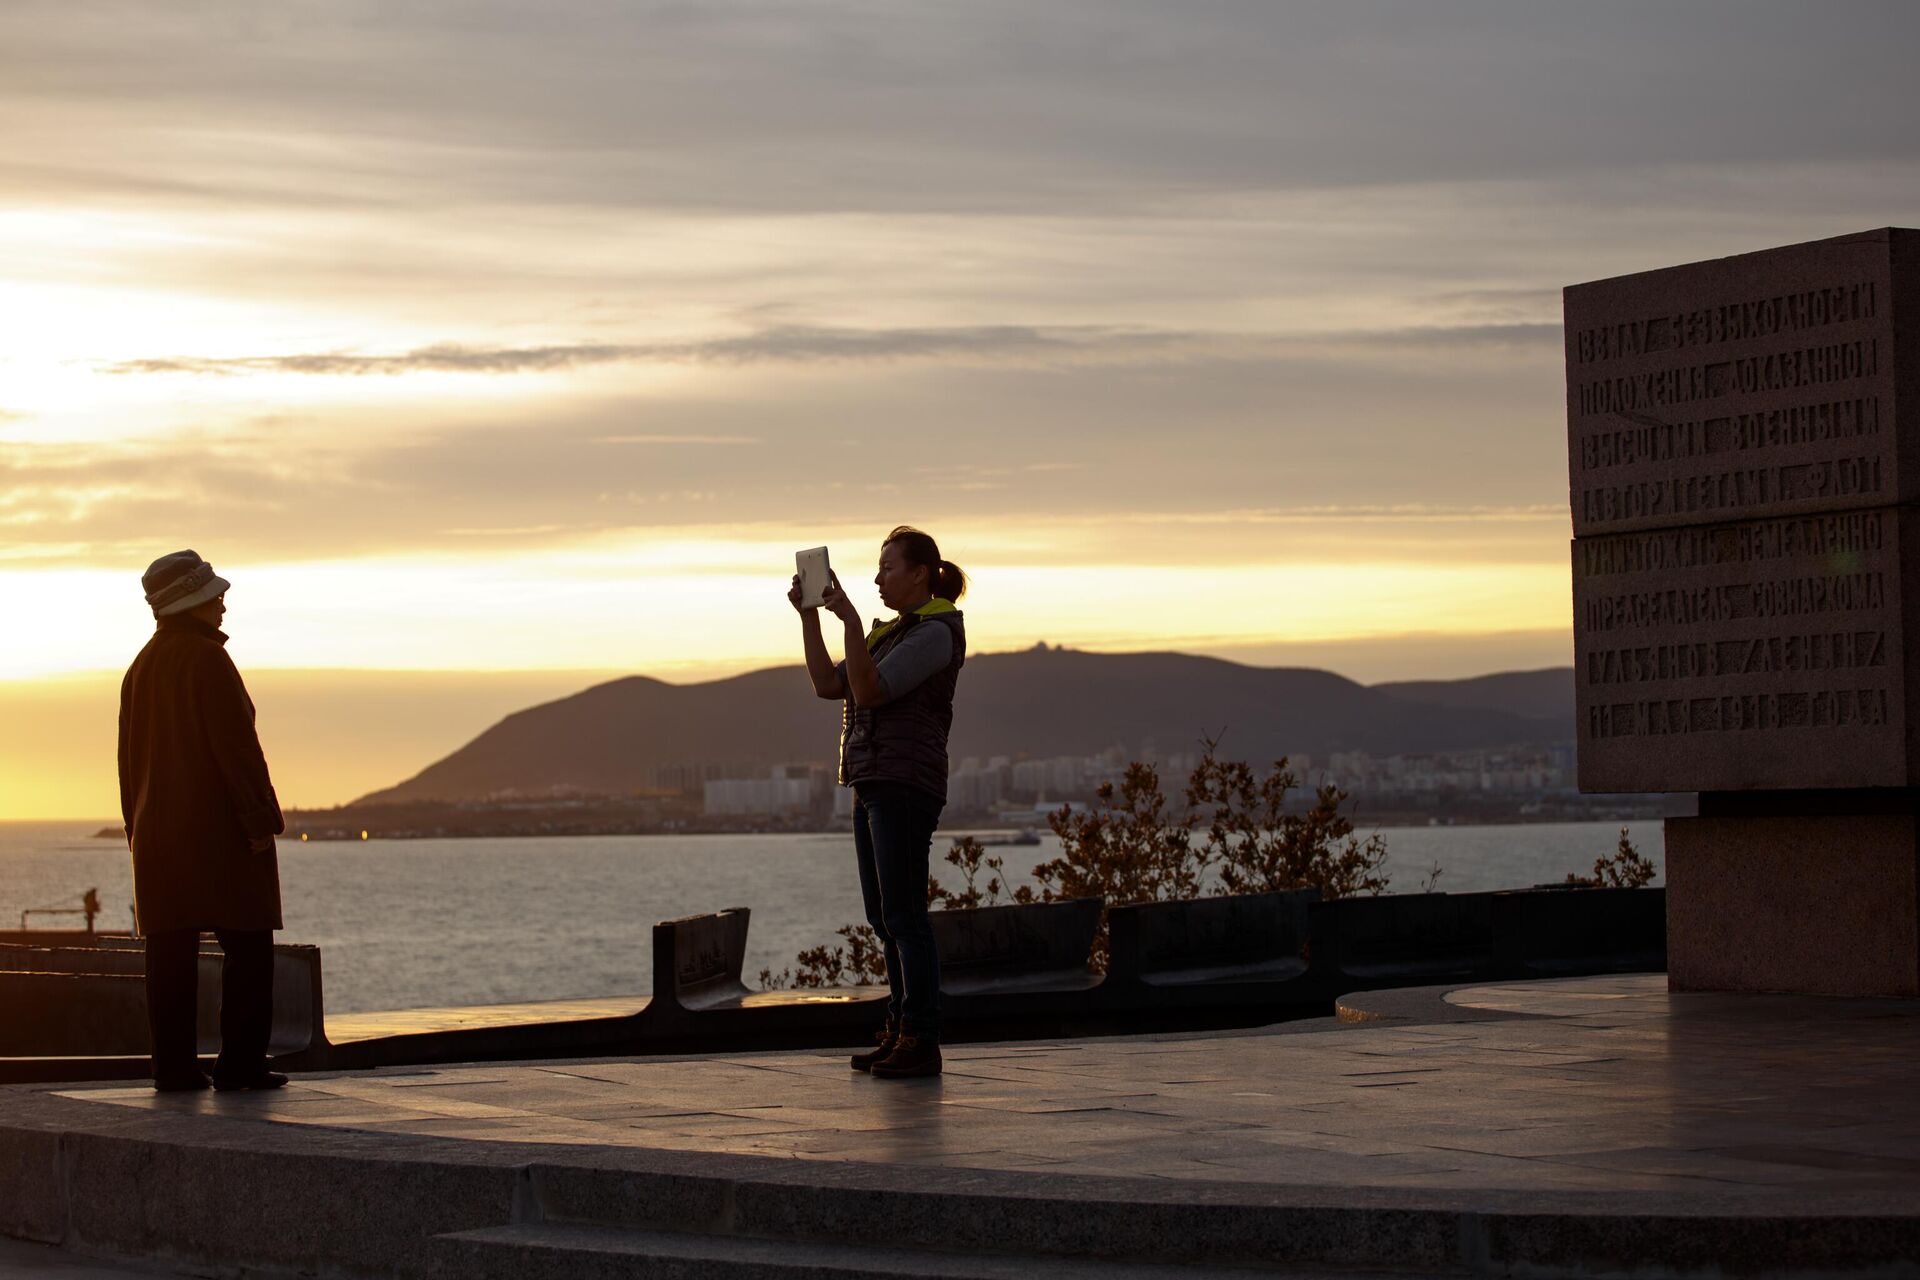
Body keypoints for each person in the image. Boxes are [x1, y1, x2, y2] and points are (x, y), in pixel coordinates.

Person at [790, 526, 967, 1079]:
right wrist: (811, 616)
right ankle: (900, 1030)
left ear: (920, 573)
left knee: (905, 915)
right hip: (871, 779)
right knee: (883, 916)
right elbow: (827, 685)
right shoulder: (892, 633)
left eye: (888, 567)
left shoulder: (935, 632)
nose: (877, 578)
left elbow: (870, 693)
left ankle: (922, 1036)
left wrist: (849, 621)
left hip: (904, 782)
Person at [119, 550, 287, 1093]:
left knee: (169, 952)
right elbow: (238, 749)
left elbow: (128, 763)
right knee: (248, 947)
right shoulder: (208, 661)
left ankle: (172, 1069)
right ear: (191, 600)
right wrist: (260, 819)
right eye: (214, 595)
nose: (222, 603)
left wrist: (134, 832)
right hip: (220, 832)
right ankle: (239, 1065)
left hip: (157, 835)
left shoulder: (140, 668)